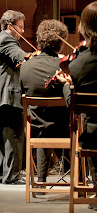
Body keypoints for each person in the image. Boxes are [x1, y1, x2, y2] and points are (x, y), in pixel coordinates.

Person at [55, 1, 97, 210]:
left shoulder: (79, 64)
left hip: (96, 134)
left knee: (91, 130)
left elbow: (76, 106)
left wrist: (67, 85)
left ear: (84, 28)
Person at [20, 19, 69, 184]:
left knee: (42, 123)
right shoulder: (64, 65)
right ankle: (79, 176)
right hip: (64, 130)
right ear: (60, 42)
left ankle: (41, 178)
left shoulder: (25, 67)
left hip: (35, 130)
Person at [0, 10, 27, 184]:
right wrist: (38, 58)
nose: (23, 31)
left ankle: (1, 174)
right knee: (14, 135)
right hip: (6, 94)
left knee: (3, 135)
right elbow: (21, 58)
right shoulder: (6, 39)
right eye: (21, 27)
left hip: (0, 93)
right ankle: (13, 176)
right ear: (10, 26)